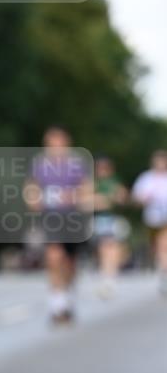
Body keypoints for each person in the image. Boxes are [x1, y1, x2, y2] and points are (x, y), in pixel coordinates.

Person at [24, 127, 93, 324]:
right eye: (51, 144)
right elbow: (31, 188)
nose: (55, 148)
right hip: (51, 217)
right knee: (54, 257)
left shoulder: (77, 165)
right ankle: (57, 305)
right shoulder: (39, 165)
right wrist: (33, 200)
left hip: (73, 218)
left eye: (59, 143)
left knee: (70, 263)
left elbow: (87, 190)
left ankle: (68, 295)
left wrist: (70, 197)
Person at [92, 156, 129, 297]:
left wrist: (107, 200)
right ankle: (106, 275)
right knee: (103, 249)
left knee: (111, 247)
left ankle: (110, 276)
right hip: (99, 220)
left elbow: (122, 198)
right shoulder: (94, 183)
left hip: (112, 220)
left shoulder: (114, 182)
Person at [132, 149, 167, 295]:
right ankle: (162, 271)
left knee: (164, 246)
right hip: (152, 219)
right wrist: (143, 199)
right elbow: (136, 198)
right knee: (156, 249)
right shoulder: (146, 178)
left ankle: (165, 277)